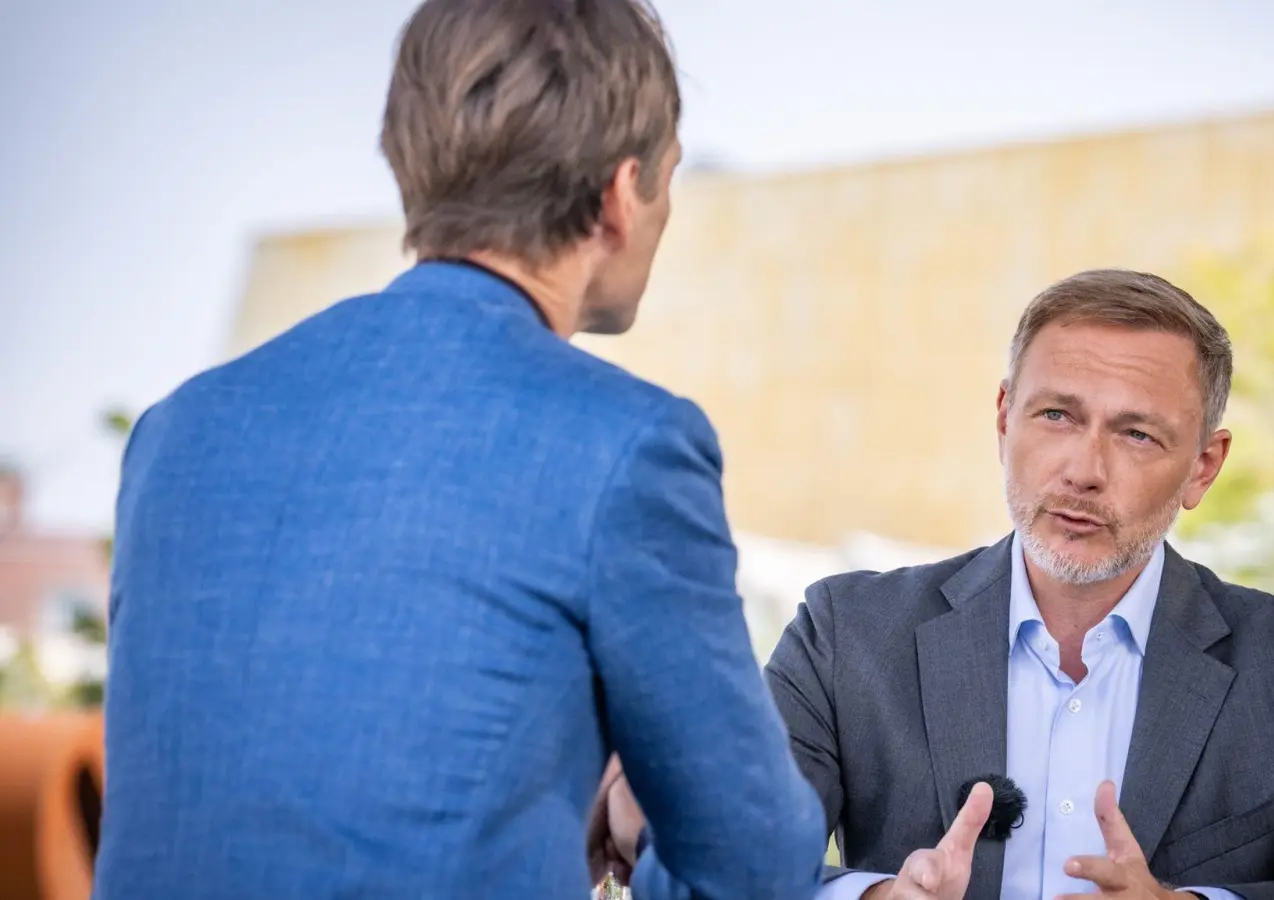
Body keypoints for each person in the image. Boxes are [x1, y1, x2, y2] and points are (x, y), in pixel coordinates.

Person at [93, 2, 823, 898]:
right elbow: (754, 864)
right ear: (619, 194)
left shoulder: (177, 430)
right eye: (669, 178)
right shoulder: (629, 445)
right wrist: (634, 831)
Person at [763, 270, 1274, 900]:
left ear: (1203, 468)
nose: (1084, 470)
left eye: (1137, 434)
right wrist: (875, 899)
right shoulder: (844, 633)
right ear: (1005, 421)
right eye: (1057, 416)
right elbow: (711, 864)